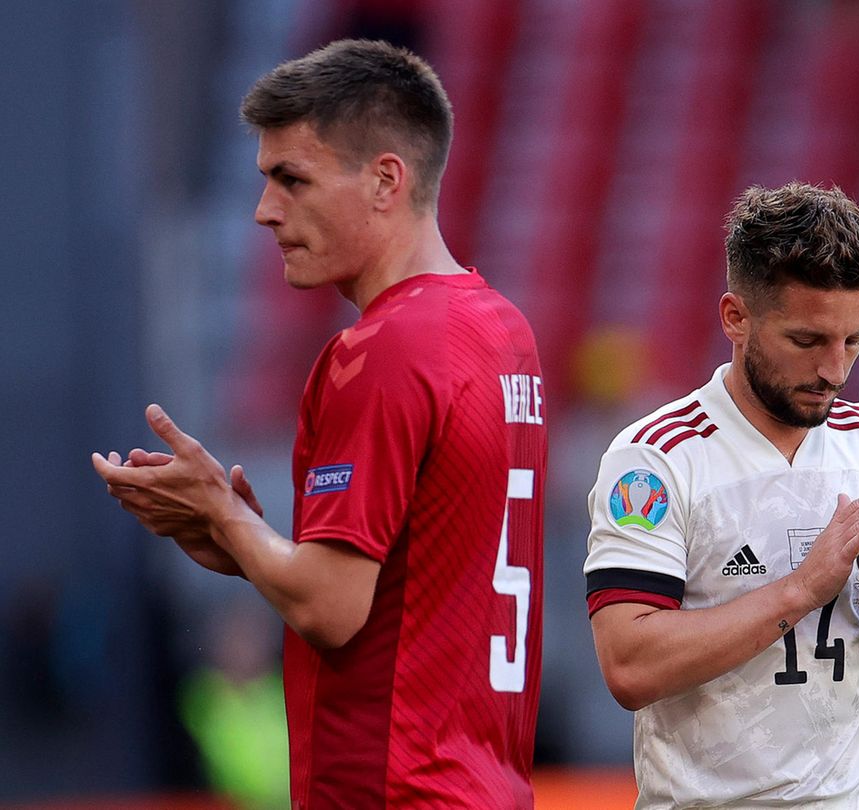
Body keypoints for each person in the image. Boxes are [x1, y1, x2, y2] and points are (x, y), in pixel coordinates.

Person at [91, 39, 547, 808]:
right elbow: (419, 579)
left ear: (386, 181)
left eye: (292, 179)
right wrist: (243, 539)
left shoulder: (383, 349)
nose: (265, 210)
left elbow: (330, 609)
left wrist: (222, 511)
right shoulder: (504, 330)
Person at [584, 182, 859, 809]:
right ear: (735, 318)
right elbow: (630, 667)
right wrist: (801, 589)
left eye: (853, 340)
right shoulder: (654, 459)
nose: (835, 370)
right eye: (806, 341)